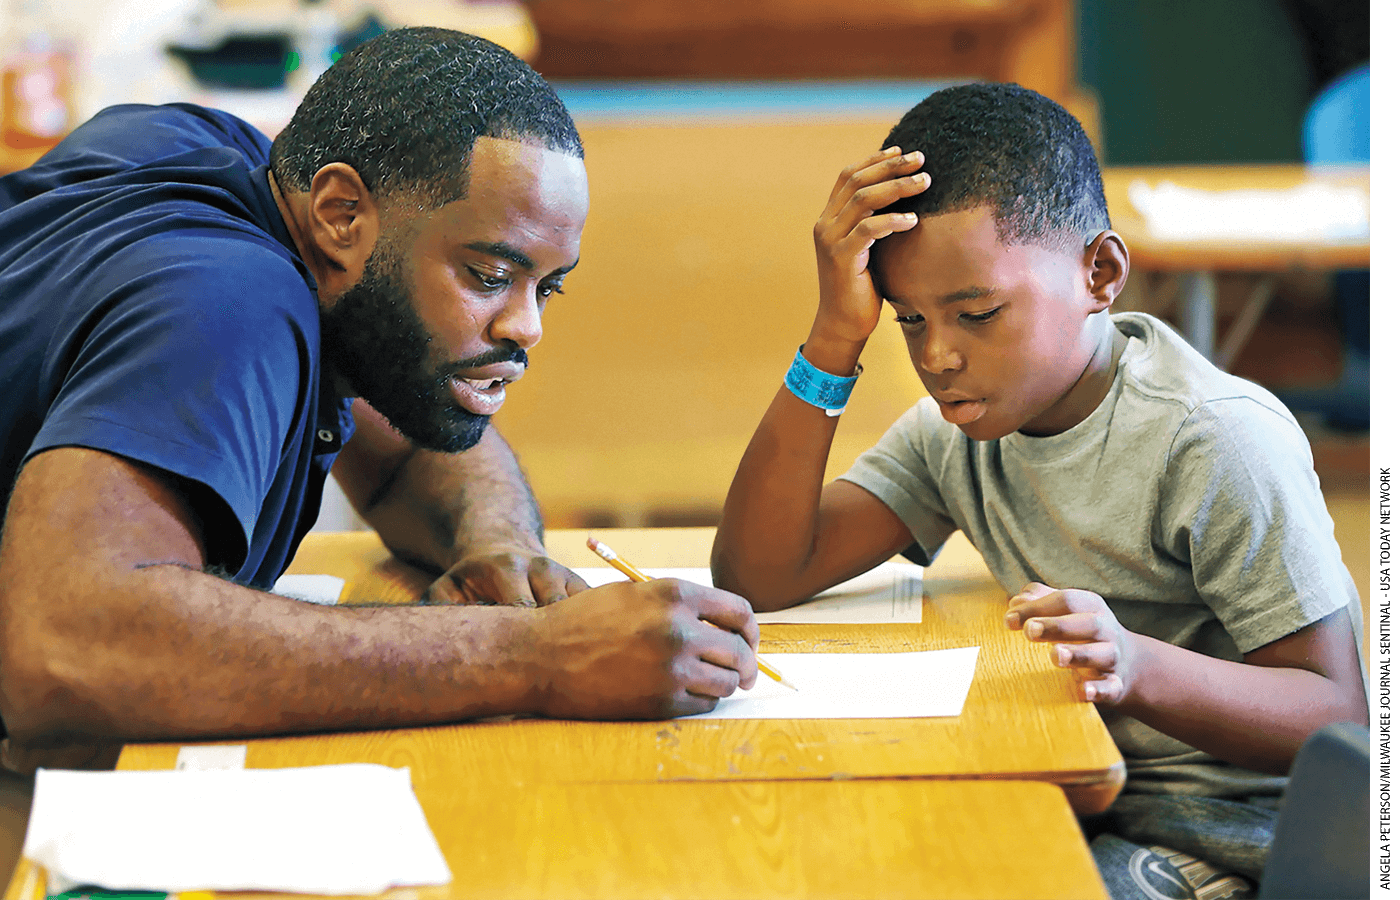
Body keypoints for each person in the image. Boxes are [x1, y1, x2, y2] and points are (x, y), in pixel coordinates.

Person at [0, 27, 760, 780]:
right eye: (490, 273)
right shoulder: (231, 300)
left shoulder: (194, 147)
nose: (527, 326)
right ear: (339, 213)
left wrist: (496, 540)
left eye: (547, 286)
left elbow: (398, 445)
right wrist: (540, 656)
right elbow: (63, 646)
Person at [711, 83, 1367, 900]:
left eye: (978, 313)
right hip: (1061, 784)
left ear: (1100, 272)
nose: (939, 356)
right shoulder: (959, 431)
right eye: (908, 320)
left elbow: (1335, 716)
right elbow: (761, 571)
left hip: (1229, 837)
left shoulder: (1215, 439)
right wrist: (834, 334)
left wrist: (1134, 665)